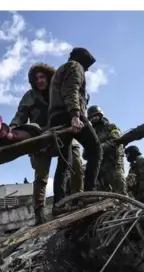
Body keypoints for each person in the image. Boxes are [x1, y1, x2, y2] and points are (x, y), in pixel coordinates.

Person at [10, 63, 84, 224]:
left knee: (76, 164)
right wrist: (13, 128)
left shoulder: (58, 90)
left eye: (43, 77)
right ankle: (39, 212)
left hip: (63, 133)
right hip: (41, 138)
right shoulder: (29, 96)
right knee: (41, 176)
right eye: (36, 78)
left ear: (49, 77)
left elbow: (74, 100)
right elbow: (20, 115)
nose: (40, 81)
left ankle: (79, 199)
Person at [48, 47, 102, 212]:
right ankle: (89, 194)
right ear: (83, 61)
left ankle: (59, 203)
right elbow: (71, 90)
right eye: (87, 66)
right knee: (96, 149)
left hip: (56, 117)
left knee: (65, 162)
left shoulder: (61, 70)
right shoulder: (75, 66)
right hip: (68, 113)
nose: (86, 70)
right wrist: (75, 115)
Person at [86, 105, 126, 195]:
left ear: (101, 115)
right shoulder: (92, 133)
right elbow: (87, 150)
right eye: (91, 117)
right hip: (101, 162)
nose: (94, 119)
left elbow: (115, 141)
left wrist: (98, 148)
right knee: (103, 187)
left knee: (118, 181)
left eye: (95, 116)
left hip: (114, 159)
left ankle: (125, 203)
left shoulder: (111, 127)